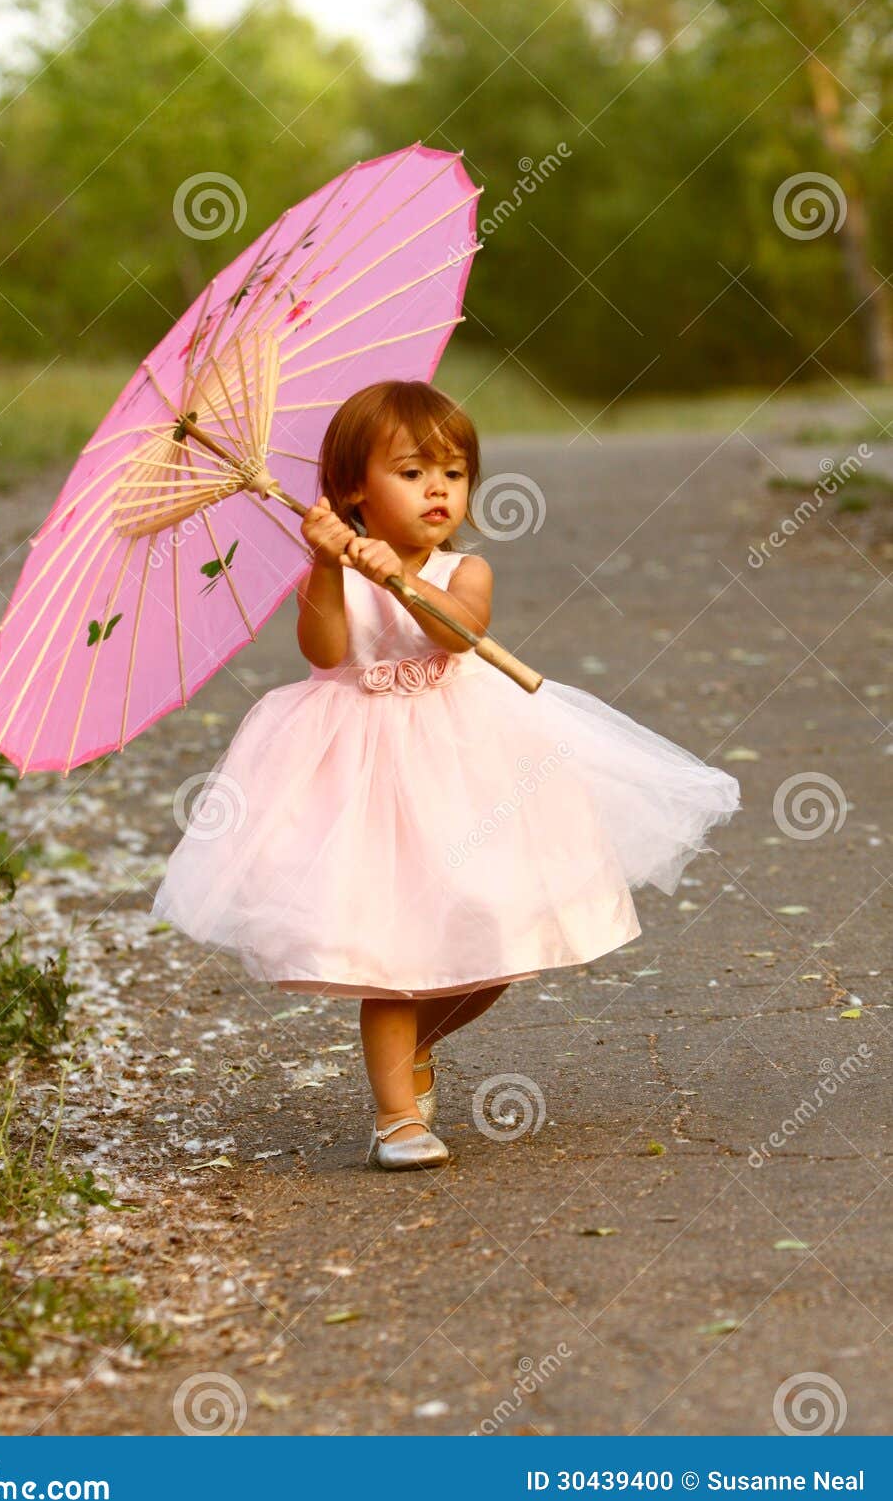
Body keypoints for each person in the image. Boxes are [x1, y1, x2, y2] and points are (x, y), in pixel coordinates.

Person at [151, 378, 741, 1172]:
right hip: (359, 772)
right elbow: (325, 652)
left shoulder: (466, 570)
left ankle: (416, 1046)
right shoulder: (329, 565)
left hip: (470, 765)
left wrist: (395, 571)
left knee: (499, 935)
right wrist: (328, 567)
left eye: (453, 473)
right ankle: (396, 1116)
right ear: (352, 488)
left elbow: (457, 634)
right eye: (411, 471)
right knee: (388, 952)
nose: (438, 488)